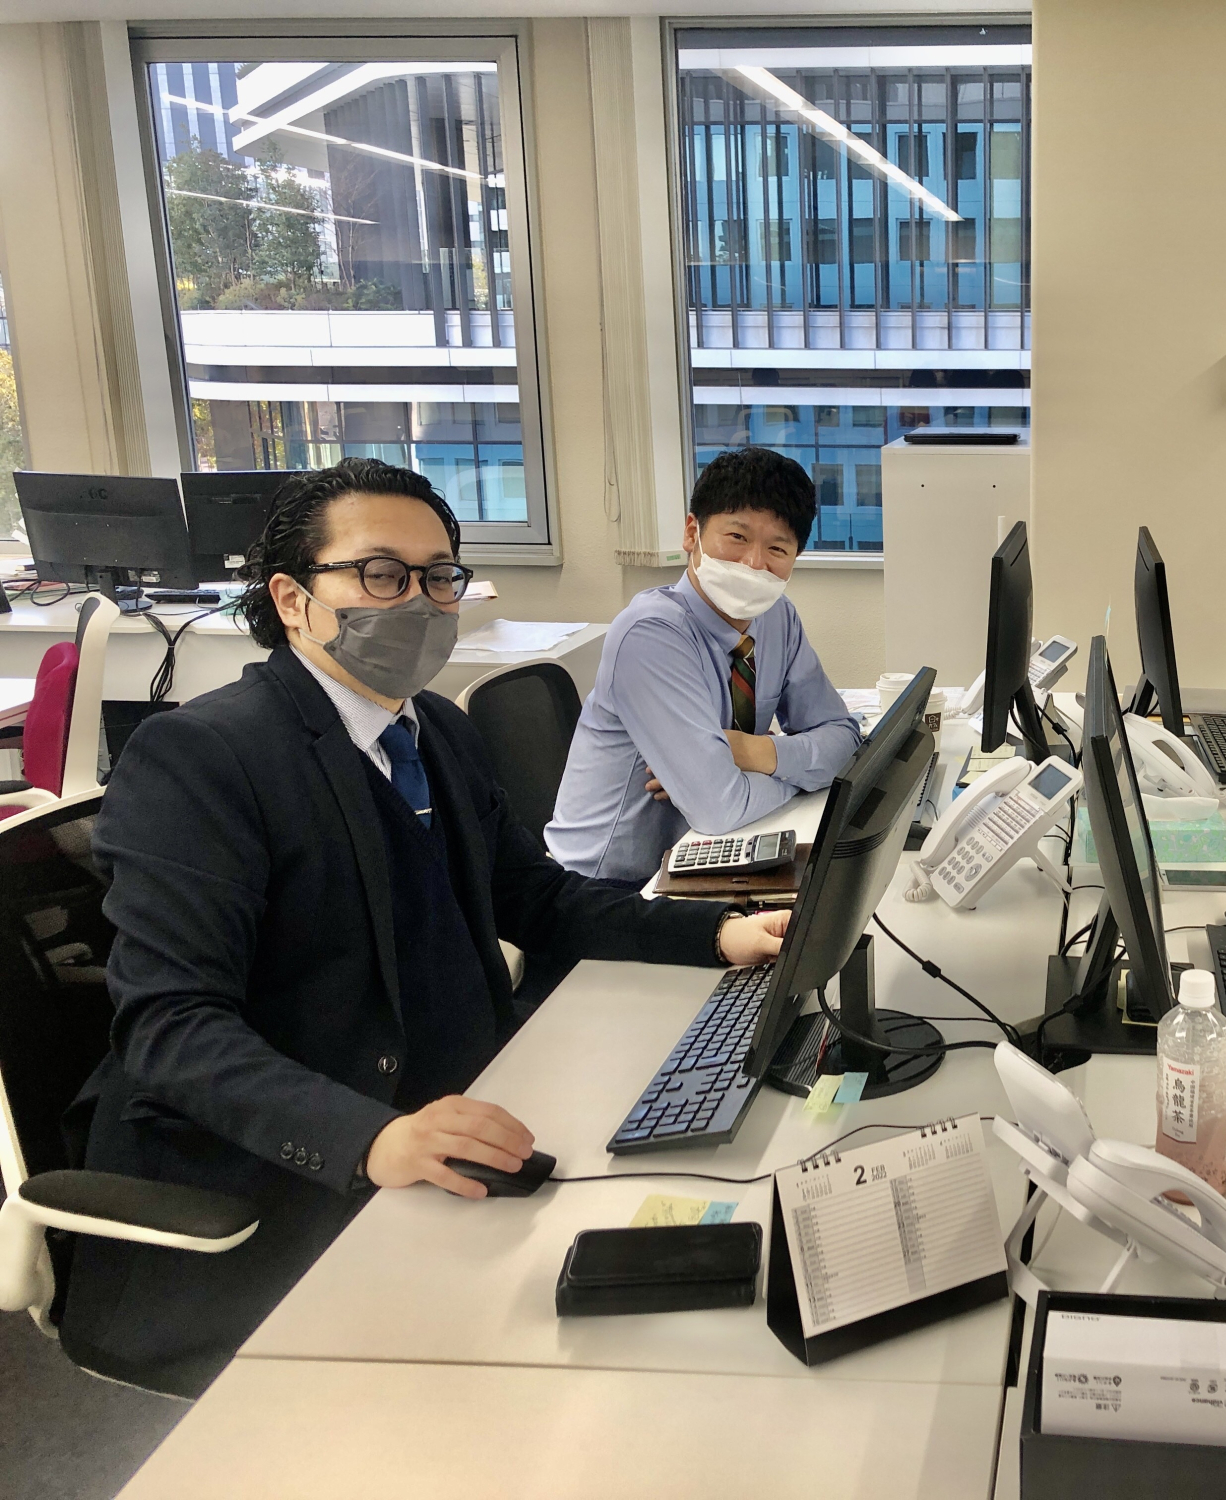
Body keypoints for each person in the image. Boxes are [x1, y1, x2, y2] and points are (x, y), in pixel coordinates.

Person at [60, 459, 790, 1396]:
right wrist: (370, 1138)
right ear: (291, 599)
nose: (417, 600)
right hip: (285, 1178)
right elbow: (170, 1027)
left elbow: (536, 898)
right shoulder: (203, 757)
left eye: (438, 576)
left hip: (460, 1112)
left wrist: (717, 935)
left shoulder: (436, 729)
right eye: (380, 574)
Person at [545, 447, 860, 886]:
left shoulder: (778, 618)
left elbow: (845, 740)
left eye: (777, 547)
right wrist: (801, 772)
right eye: (737, 537)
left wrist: (757, 753)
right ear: (692, 532)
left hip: (708, 855)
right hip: (609, 886)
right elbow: (719, 807)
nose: (754, 563)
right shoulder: (651, 634)